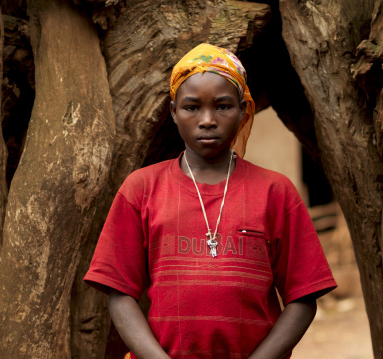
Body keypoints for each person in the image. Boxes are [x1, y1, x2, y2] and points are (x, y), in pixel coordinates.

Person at [84, 43, 337, 359]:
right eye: (192, 107)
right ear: (174, 111)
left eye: (223, 106)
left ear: (244, 111)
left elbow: (302, 297)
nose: (207, 119)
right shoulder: (142, 189)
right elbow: (119, 293)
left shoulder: (276, 192)